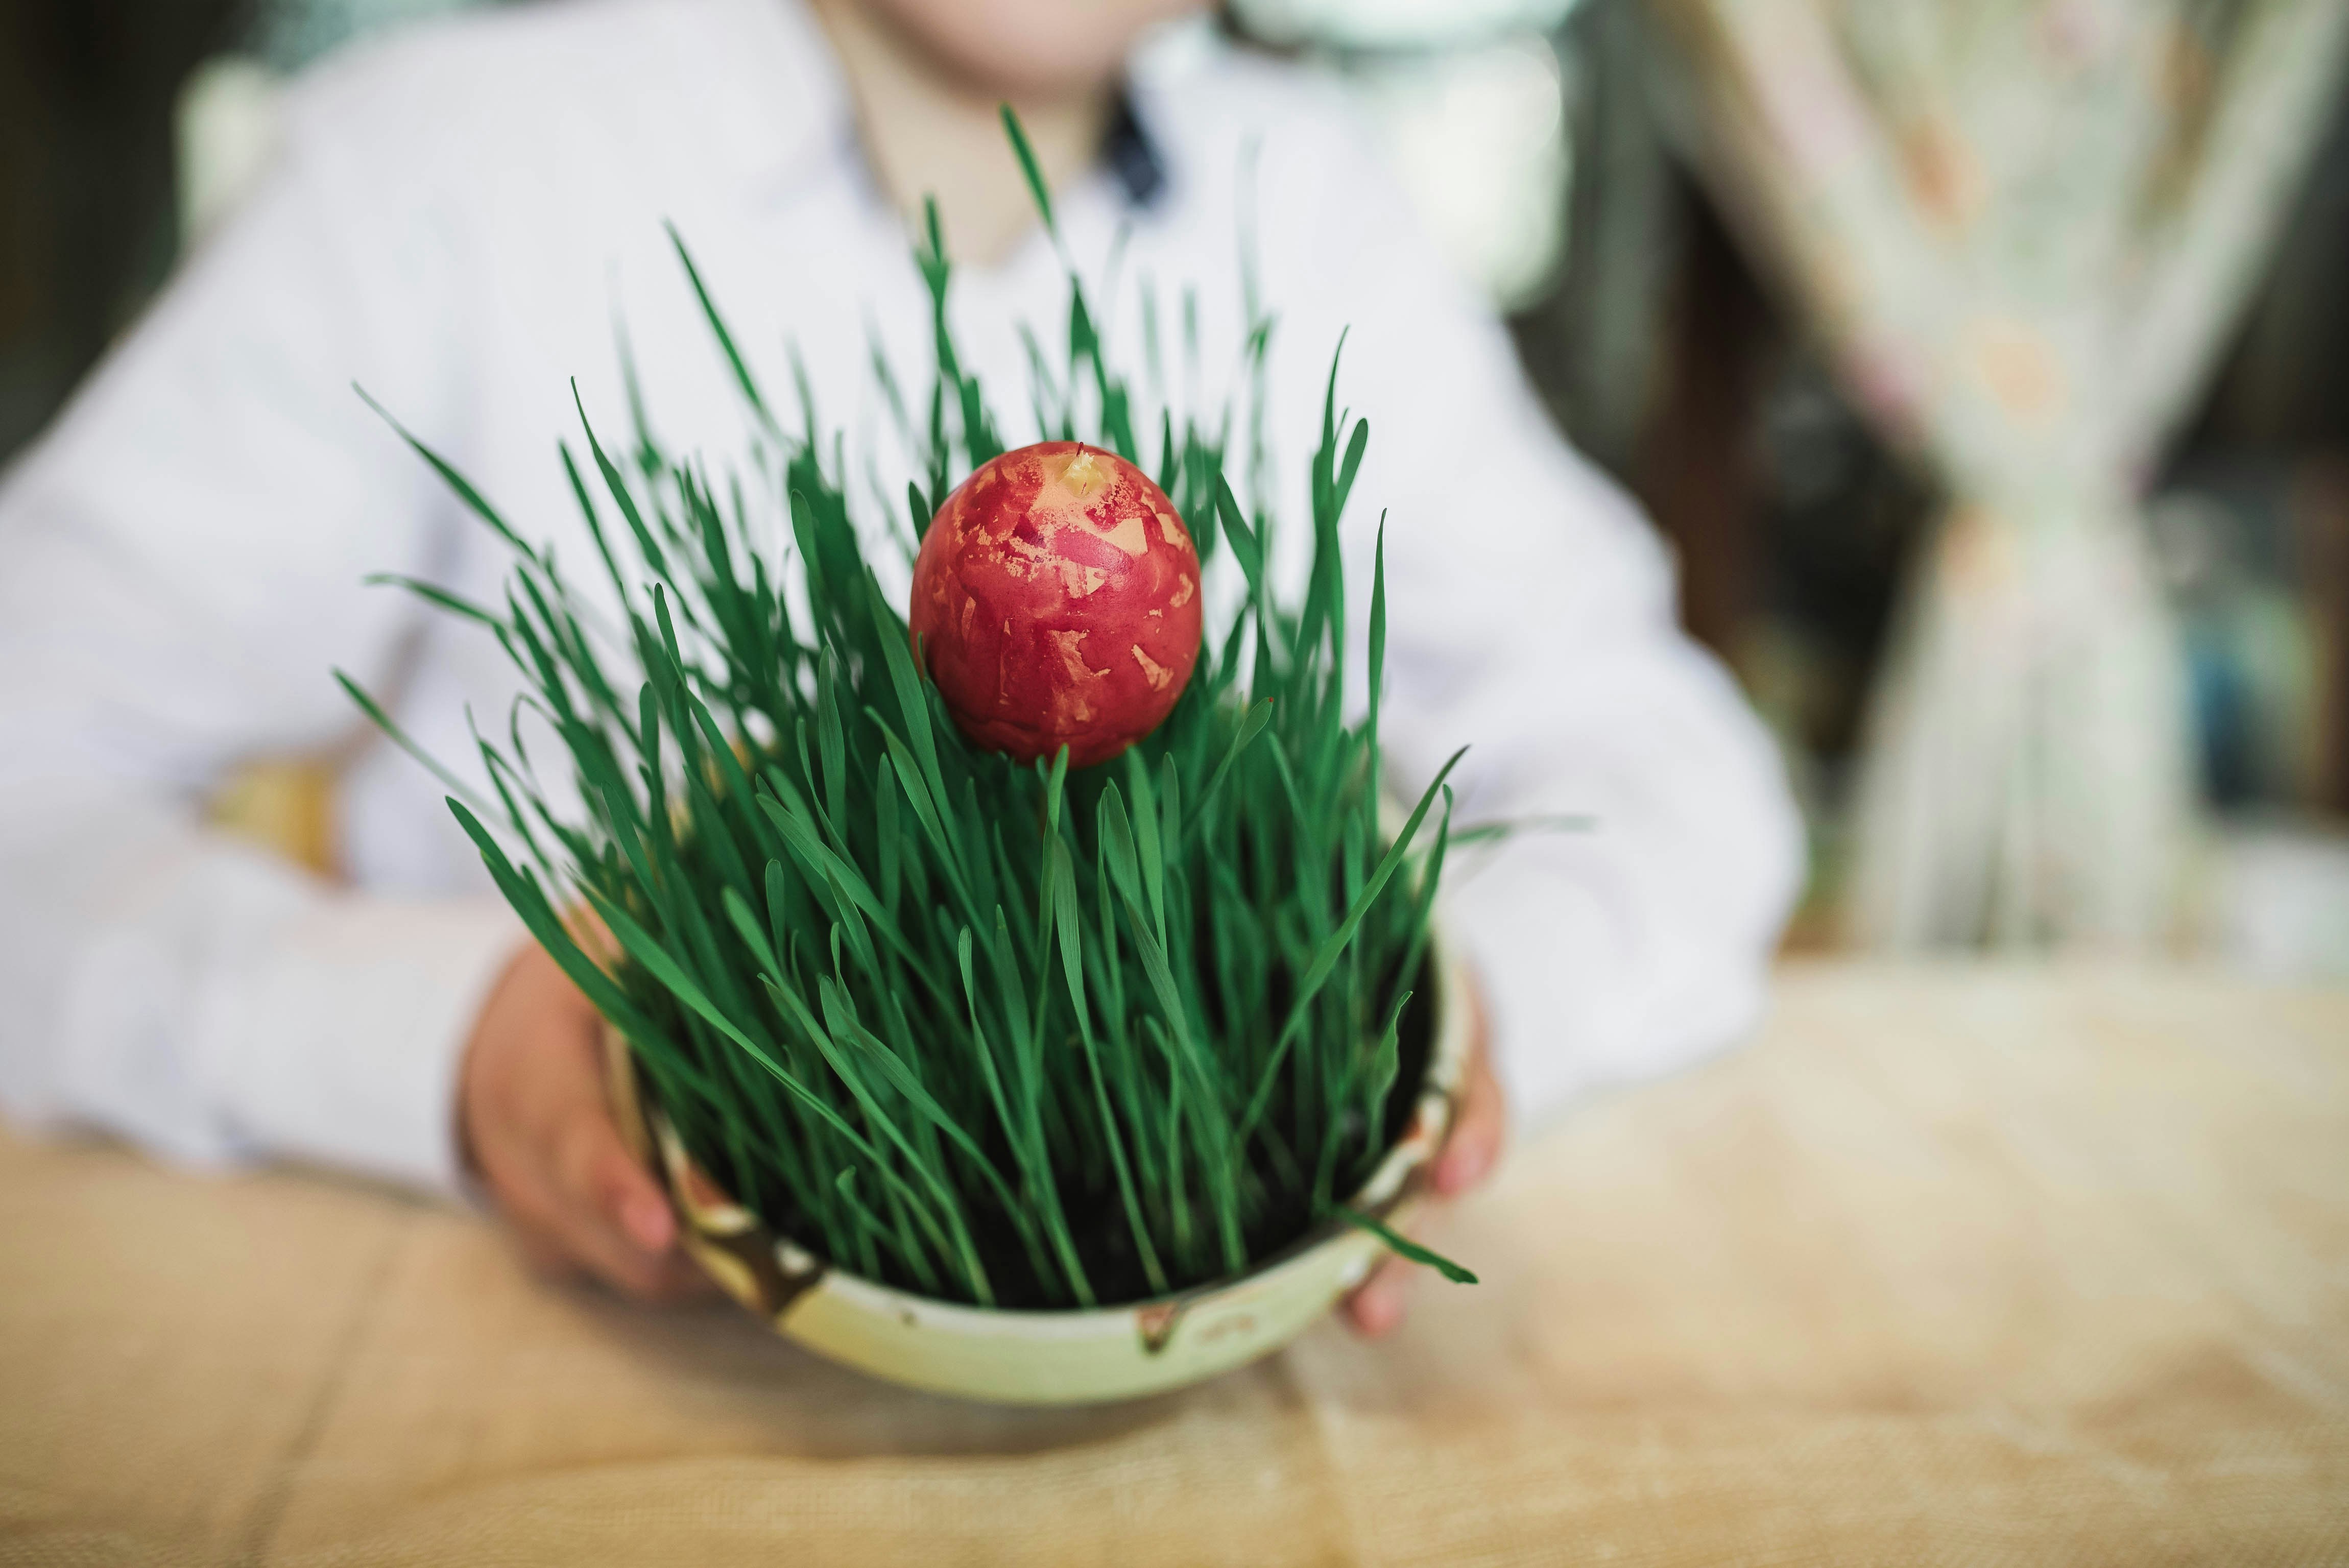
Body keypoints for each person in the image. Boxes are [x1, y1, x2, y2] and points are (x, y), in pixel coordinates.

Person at [0, 0, 1801, 1336]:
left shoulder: (1318, 205)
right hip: (562, 1364)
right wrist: (450, 1038)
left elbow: (1666, 768)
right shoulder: (438, 170)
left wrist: (1452, 1024)